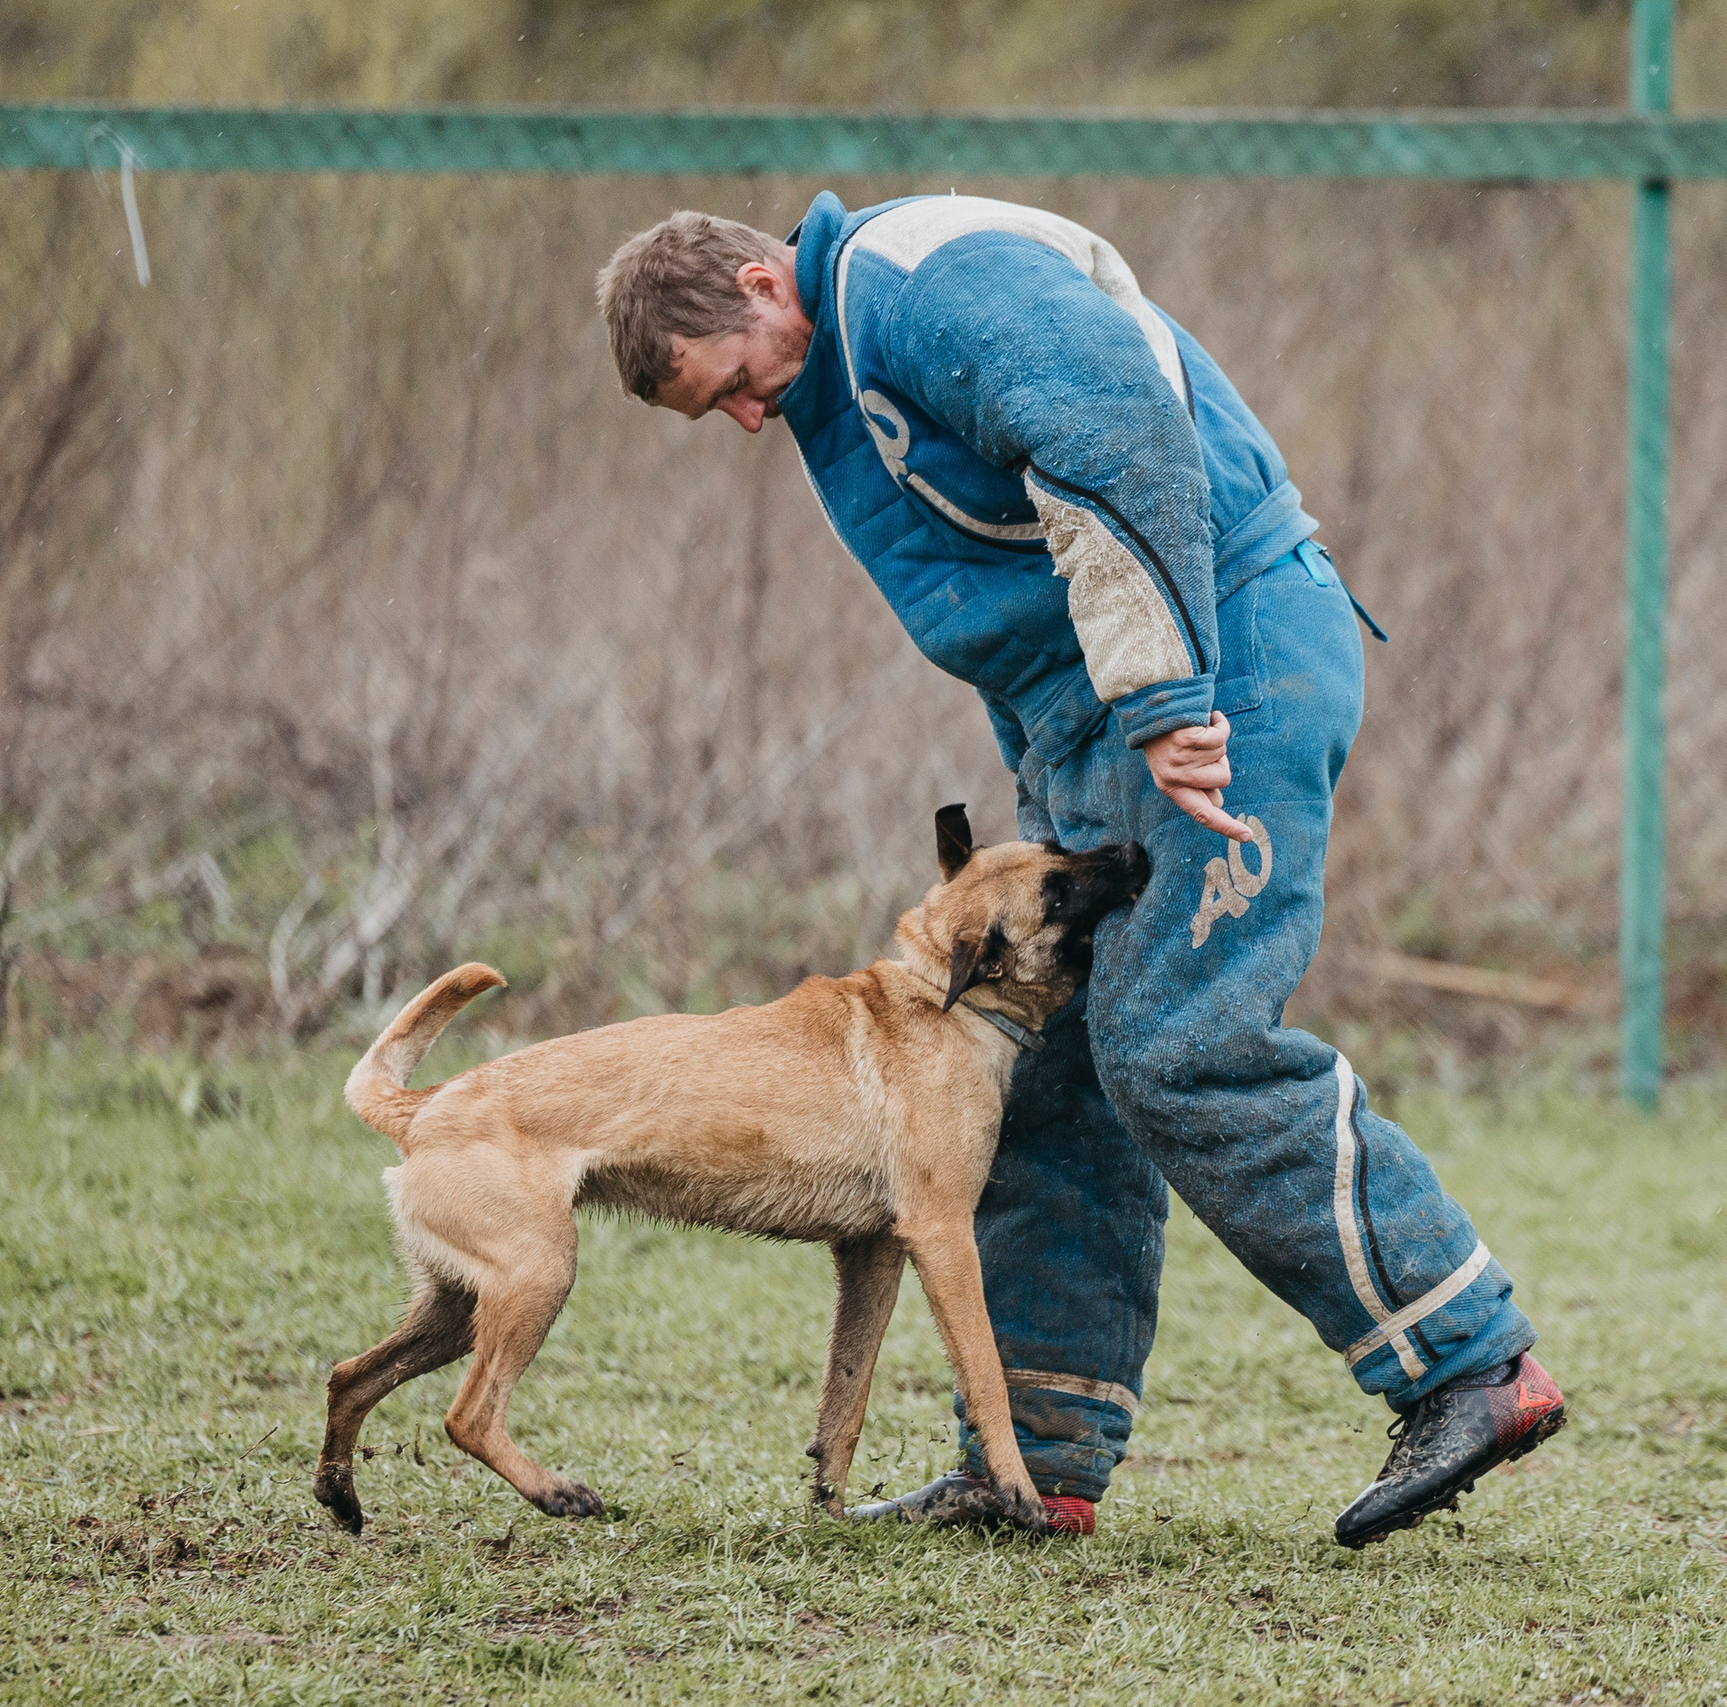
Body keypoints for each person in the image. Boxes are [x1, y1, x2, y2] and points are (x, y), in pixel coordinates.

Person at [594, 195, 1562, 1547]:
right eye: (720, 415)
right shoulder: (834, 380)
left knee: (1180, 1042)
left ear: (764, 284)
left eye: (736, 381)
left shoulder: (920, 279)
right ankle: (1032, 1463)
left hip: (1230, 663)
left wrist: (1167, 700)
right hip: (1093, 721)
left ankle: (1469, 1363)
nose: (748, 418)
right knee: (1025, 1055)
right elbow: (1009, 603)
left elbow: (1116, 431)